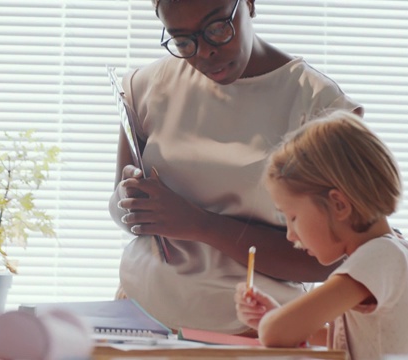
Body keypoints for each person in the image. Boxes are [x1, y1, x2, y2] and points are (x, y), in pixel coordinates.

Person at [109, 0, 363, 334]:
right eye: (183, 41)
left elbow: (336, 259)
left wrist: (200, 225)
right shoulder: (143, 87)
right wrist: (131, 203)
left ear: (250, 4)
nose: (204, 53)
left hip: (258, 331)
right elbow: (122, 213)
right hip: (140, 320)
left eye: (216, 28)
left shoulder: (317, 105)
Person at [234, 110, 408, 358]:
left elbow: (275, 333)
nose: (290, 235)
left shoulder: (378, 256)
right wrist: (274, 316)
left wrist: (273, 322)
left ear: (339, 205)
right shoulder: (405, 253)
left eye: (293, 217)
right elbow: (347, 341)